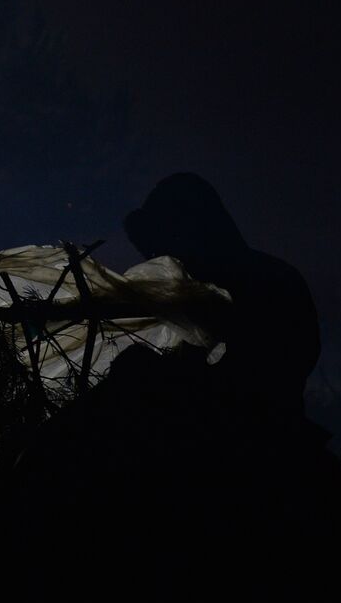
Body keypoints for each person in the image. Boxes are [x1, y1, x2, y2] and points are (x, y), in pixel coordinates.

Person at [124, 172, 321, 421]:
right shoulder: (268, 275)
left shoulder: (261, 283)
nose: (166, 258)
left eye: (169, 242)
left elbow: (276, 367)